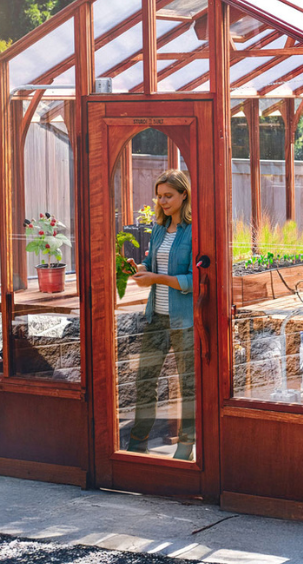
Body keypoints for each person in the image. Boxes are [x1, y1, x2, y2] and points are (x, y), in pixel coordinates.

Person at [125, 169, 196, 460]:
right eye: (159, 196)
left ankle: (185, 448)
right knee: (144, 382)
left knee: (188, 385)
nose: (163, 201)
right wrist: (139, 269)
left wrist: (156, 278)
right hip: (156, 317)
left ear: (183, 194)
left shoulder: (193, 231)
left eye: (168, 196)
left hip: (184, 321)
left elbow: (193, 280)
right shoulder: (158, 229)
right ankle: (136, 445)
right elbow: (152, 264)